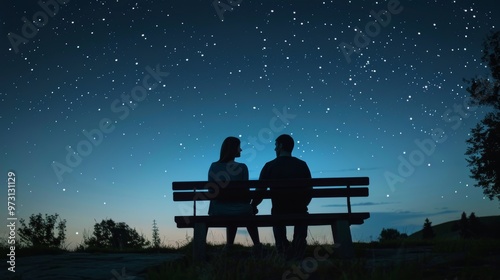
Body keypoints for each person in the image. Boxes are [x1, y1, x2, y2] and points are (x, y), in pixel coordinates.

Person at [253, 134, 312, 259]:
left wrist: (253, 205)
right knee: (302, 214)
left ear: (280, 146)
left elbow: (260, 191)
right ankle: (298, 246)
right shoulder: (302, 165)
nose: (275, 149)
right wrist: (304, 204)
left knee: (277, 214)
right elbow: (309, 191)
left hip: (279, 209)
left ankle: (282, 247)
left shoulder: (270, 165)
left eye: (275, 146)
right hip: (299, 209)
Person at [207, 136, 261, 250]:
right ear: (233, 149)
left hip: (218, 210)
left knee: (233, 209)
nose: (241, 150)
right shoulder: (242, 167)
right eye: (239, 147)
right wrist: (251, 206)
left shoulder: (214, 166)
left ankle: (229, 246)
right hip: (240, 209)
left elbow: (210, 191)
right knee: (244, 210)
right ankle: (257, 246)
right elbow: (246, 193)